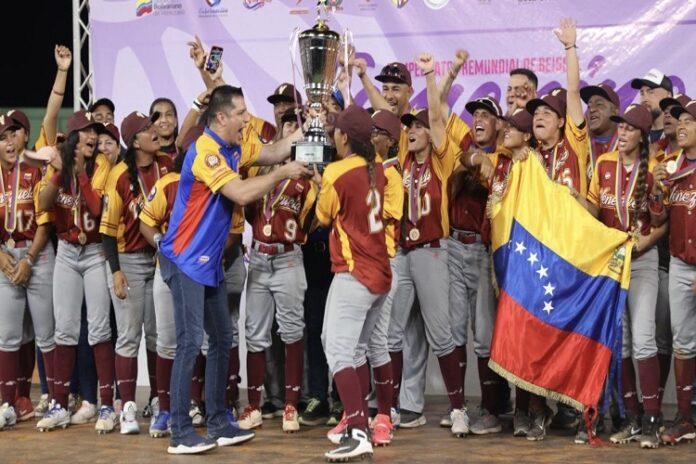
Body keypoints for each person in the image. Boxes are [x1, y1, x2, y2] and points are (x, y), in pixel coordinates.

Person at [157, 85, 309, 455]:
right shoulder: (206, 152)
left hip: (208, 263)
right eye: (241, 113)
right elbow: (241, 194)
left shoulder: (234, 147)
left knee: (223, 338)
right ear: (221, 117)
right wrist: (282, 173)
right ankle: (179, 431)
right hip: (184, 259)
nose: (247, 118)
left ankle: (219, 422)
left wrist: (310, 126)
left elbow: (273, 150)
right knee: (192, 342)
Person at [387, 53, 468, 437]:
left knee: (440, 333)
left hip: (435, 250)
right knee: (391, 330)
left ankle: (458, 408)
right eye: (410, 126)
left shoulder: (442, 158)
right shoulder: (403, 161)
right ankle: (395, 407)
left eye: (419, 125)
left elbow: (436, 118)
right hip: (403, 253)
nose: (414, 129)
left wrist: (434, 75)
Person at [576, 103, 666, 449]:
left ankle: (652, 419)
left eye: (629, 128)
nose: (622, 133)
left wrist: (657, 193)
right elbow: (596, 212)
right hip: (613, 261)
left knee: (643, 338)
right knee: (623, 342)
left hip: (641, 260)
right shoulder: (604, 164)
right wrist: (572, 199)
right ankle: (630, 418)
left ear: (642, 135)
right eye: (621, 127)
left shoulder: (653, 167)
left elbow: (660, 222)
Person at [313, 105, 391, 461]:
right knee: (356, 350)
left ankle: (358, 430)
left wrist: (321, 183)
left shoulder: (337, 171)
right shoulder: (377, 168)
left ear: (344, 137)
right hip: (380, 274)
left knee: (338, 349)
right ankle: (357, 422)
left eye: (336, 133)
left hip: (354, 273)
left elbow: (323, 215)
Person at [35, 111, 115, 433]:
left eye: (95, 131)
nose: (93, 136)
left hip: (95, 252)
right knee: (64, 330)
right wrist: (60, 171)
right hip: (67, 253)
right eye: (86, 131)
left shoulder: (104, 166)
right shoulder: (58, 165)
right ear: (73, 138)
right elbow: (42, 203)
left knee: (98, 329)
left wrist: (81, 174)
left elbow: (97, 209)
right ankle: (58, 404)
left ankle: (107, 405)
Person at [237, 110, 316, 433]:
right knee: (255, 332)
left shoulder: (308, 178)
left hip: (288, 258)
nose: (291, 129)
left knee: (292, 331)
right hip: (258, 257)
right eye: (287, 123)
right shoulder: (259, 171)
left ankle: (289, 406)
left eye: (298, 125)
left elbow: (316, 217)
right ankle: (254, 406)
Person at [100, 111, 173, 434]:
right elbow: (107, 230)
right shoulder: (118, 175)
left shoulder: (167, 165)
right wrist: (114, 271)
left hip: (159, 259)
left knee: (158, 334)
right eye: (147, 128)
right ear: (134, 141)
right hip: (128, 259)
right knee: (129, 334)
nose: (154, 130)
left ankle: (158, 399)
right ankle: (127, 406)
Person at [447, 96, 508, 434]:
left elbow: (489, 172)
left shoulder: (504, 158)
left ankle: (491, 408)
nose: (479, 119)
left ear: (499, 123)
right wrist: (468, 158)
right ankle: (459, 408)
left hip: (484, 251)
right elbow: (459, 170)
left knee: (484, 335)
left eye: (487, 114)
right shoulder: (465, 151)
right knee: (455, 332)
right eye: (476, 115)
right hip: (454, 244)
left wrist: (474, 160)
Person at [0, 115, 55, 431]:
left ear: (24, 138)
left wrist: (28, 260)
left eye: (13, 135)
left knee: (45, 333)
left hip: (37, 255)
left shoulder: (36, 170)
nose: (8, 143)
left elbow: (46, 223)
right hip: (5, 258)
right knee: (8, 335)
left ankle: (53, 398)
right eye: (2, 137)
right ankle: (8, 404)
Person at [650, 99, 696, 445]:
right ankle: (684, 417)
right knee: (683, 342)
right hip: (680, 263)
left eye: (689, 121)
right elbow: (657, 219)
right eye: (678, 120)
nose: (680, 125)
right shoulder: (671, 165)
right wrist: (657, 188)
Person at [580, 83, 620, 182]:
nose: (592, 109)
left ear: (615, 111)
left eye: (599, 104)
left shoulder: (629, 146)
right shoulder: (580, 145)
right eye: (589, 106)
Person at [631, 69, 673, 143]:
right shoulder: (636, 138)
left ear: (668, 95)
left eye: (650, 92)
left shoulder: (682, 133)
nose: (644, 99)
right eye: (642, 93)